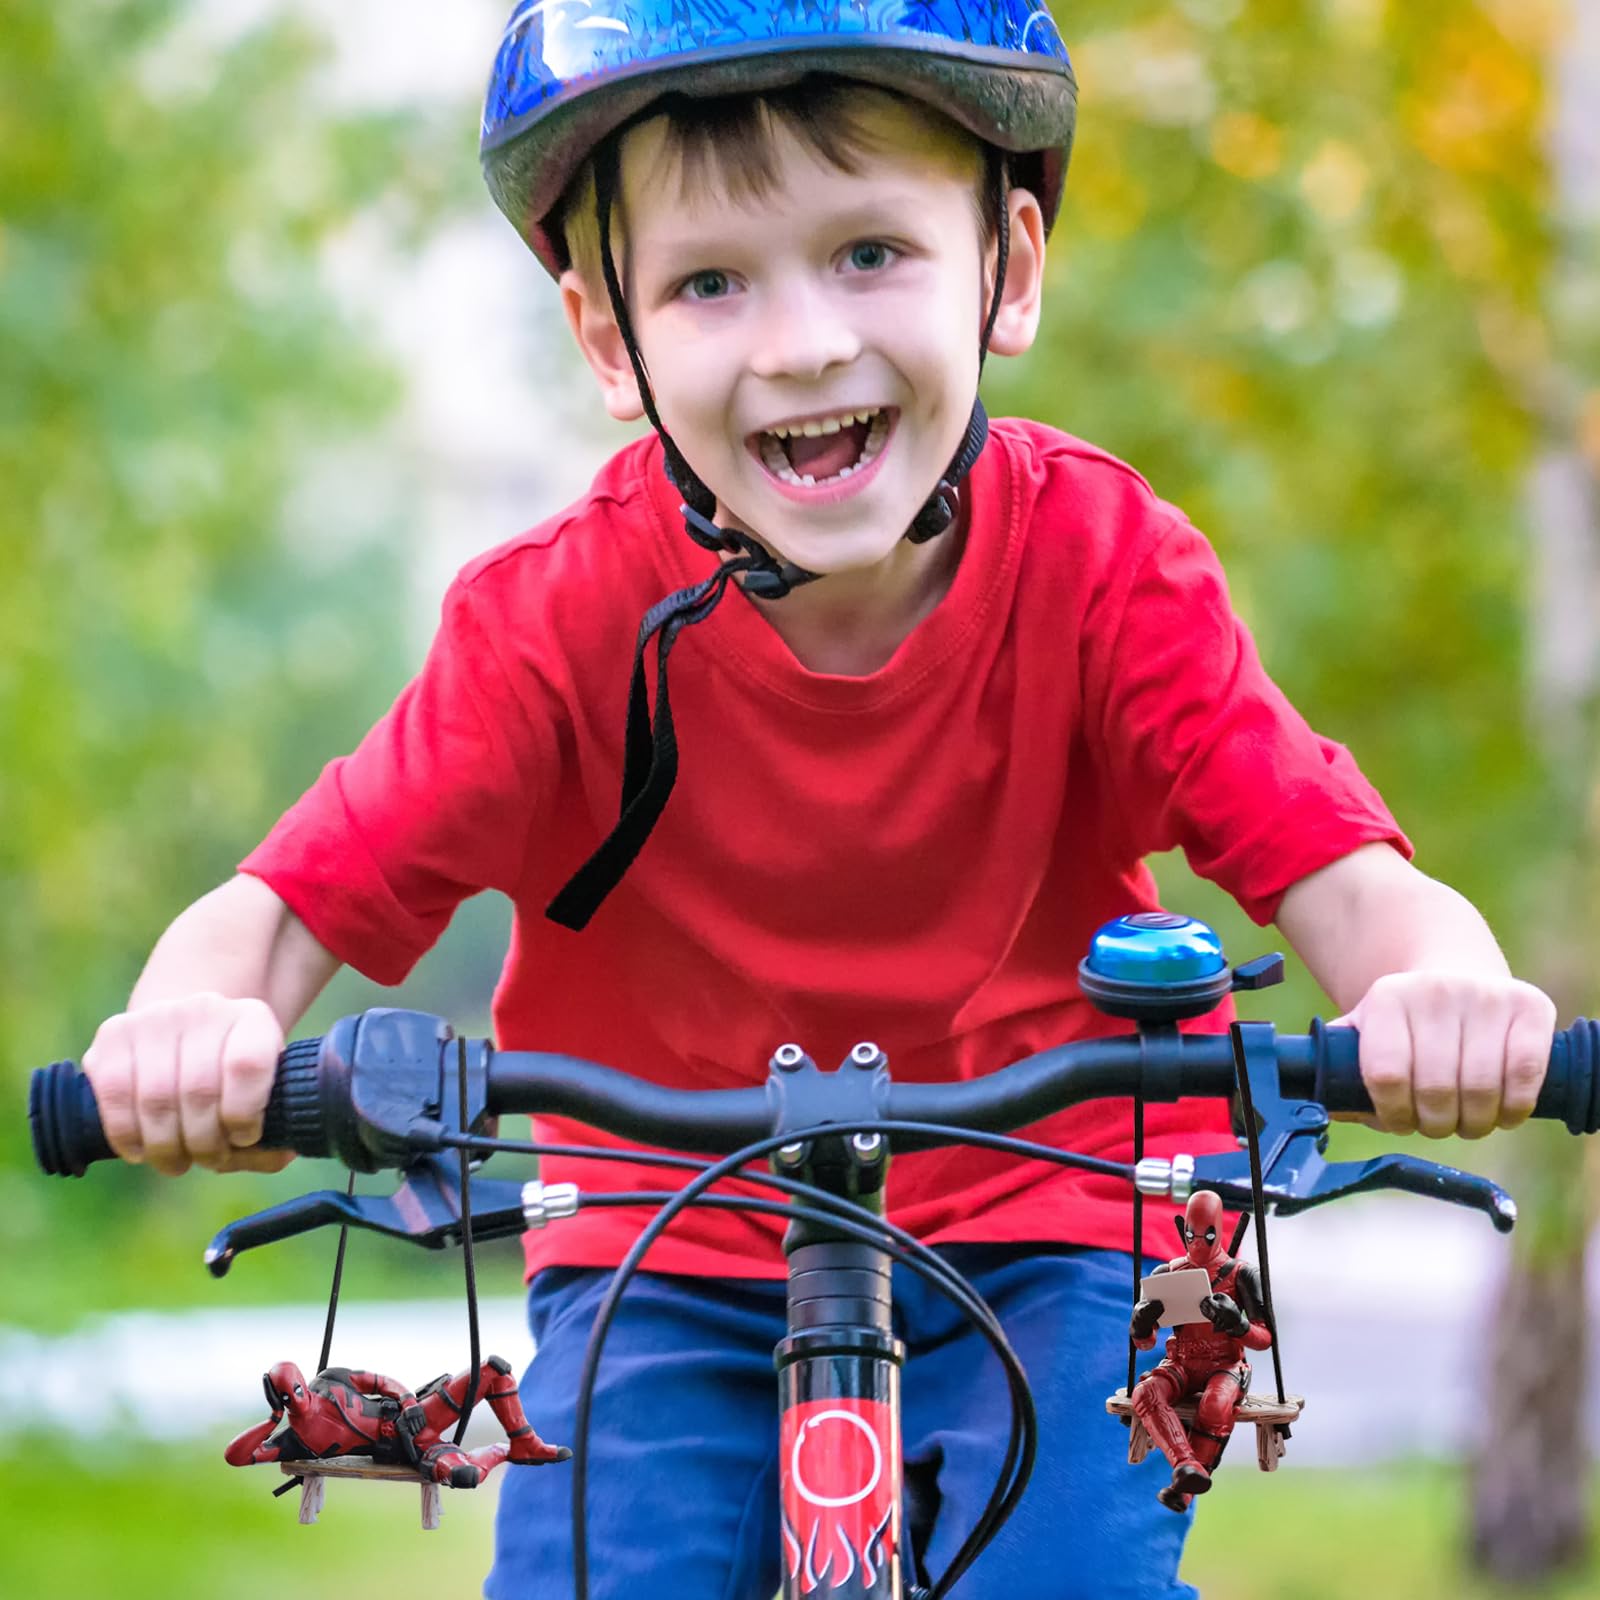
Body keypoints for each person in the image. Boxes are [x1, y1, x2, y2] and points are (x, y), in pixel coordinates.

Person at [80, 3, 1558, 1596]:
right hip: (668, 1235)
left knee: (1068, 1576)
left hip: (1080, 1207)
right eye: (710, 282)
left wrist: (1444, 993)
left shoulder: (1106, 570)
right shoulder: (550, 628)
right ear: (608, 337)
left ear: (1009, 270)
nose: (799, 342)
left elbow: (1343, 873)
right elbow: (284, 909)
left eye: (870, 252)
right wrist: (189, 1030)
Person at [1129, 1191, 1273, 1514]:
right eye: (1191, 1235)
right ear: (1183, 1230)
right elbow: (1145, 1343)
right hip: (1181, 1361)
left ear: (1219, 1230)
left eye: (1207, 1235)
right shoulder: (1168, 1274)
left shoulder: (1241, 1275)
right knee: (1145, 1392)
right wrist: (1141, 1324)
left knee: (1215, 1404)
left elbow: (1264, 1339)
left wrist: (1238, 1325)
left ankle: (1184, 1491)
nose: (1198, 1243)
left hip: (1225, 1364)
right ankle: (1186, 1465)